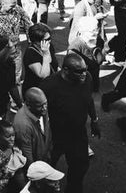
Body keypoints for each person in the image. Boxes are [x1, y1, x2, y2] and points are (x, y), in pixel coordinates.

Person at [40, 53, 101, 193]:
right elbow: (37, 110)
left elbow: (89, 99)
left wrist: (94, 120)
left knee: (80, 166)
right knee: (45, 168)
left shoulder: (87, 79)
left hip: (77, 134)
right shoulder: (49, 85)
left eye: (85, 70)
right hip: (55, 136)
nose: (84, 74)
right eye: (79, 72)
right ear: (66, 70)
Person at [13, 87, 53, 165]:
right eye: (40, 106)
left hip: (43, 158)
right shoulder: (22, 125)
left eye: (45, 103)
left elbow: (47, 132)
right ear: (29, 105)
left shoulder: (41, 110)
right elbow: (27, 156)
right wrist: (34, 172)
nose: (45, 108)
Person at [22, 23, 57, 94]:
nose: (49, 41)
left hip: (50, 88)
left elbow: (54, 65)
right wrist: (46, 54)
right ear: (37, 41)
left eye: (50, 38)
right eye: (47, 39)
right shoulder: (30, 53)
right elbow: (43, 75)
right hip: (36, 91)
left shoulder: (49, 46)